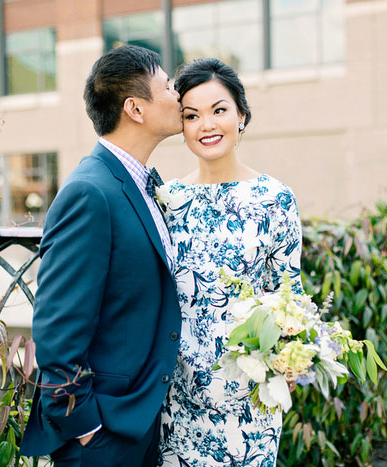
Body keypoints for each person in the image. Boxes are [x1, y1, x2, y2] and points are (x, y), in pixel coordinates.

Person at [19, 45, 183, 467]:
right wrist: (87, 428)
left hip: (140, 422)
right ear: (135, 108)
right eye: (167, 85)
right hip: (101, 435)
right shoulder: (89, 192)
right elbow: (57, 329)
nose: (177, 94)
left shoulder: (137, 182)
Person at [156, 58, 304, 466]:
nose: (207, 125)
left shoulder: (275, 198)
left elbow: (288, 291)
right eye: (192, 115)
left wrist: (290, 359)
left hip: (250, 398)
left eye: (219, 110)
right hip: (177, 394)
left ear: (241, 115)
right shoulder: (167, 201)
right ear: (181, 126)